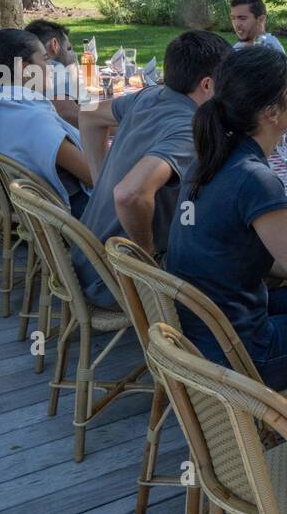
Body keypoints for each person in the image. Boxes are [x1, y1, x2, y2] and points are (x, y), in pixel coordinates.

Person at [165, 47, 287, 388]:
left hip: (203, 338)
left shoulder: (210, 159)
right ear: (271, 112)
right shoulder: (255, 180)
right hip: (245, 357)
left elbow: (237, 253)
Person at [74, 30, 230, 308]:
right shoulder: (188, 129)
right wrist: (145, 256)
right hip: (117, 281)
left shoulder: (148, 96)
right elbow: (130, 194)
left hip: (86, 261)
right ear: (207, 85)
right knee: (238, 251)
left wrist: (100, 184)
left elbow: (87, 115)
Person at [0, 28, 92, 217]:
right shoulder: (33, 120)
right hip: (78, 218)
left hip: (39, 216)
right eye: (45, 59)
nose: (51, 67)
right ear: (26, 69)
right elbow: (95, 177)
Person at [24, 19, 81, 125]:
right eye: (69, 48)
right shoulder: (53, 68)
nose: (73, 55)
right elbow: (69, 115)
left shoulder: (21, 69)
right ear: (54, 45)